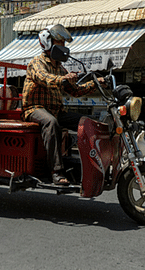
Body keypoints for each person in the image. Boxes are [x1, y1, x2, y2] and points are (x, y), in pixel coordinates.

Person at [21, 24, 105, 186]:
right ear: (47, 43)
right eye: (60, 43)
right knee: (51, 122)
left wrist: (98, 83)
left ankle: (91, 164)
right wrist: (64, 79)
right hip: (34, 109)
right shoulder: (36, 63)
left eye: (63, 44)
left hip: (56, 110)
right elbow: (44, 78)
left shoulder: (60, 68)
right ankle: (56, 172)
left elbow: (76, 91)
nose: (64, 47)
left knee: (85, 122)